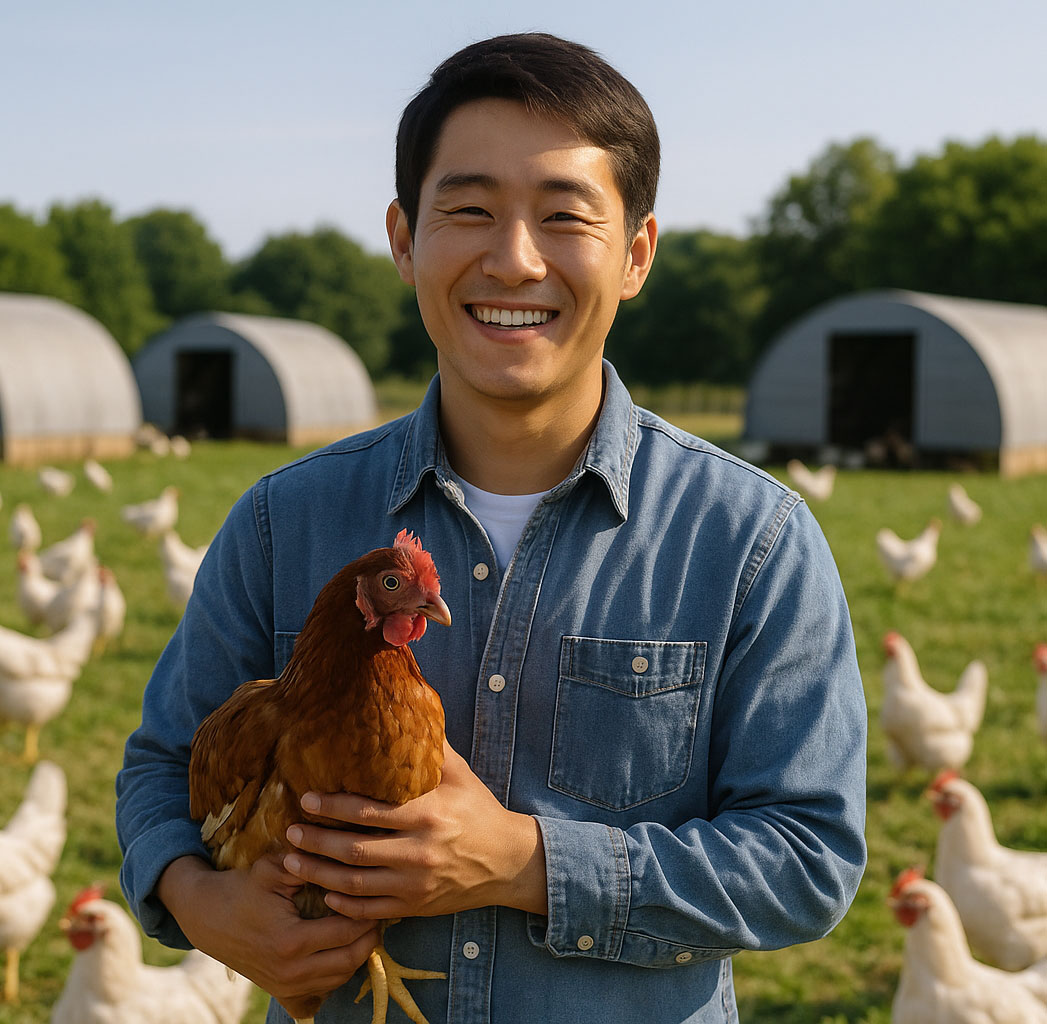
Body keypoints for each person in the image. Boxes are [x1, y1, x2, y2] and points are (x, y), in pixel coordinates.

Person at [116, 32, 867, 1024]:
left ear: (636, 254)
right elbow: (159, 767)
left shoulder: (750, 540)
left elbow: (809, 858)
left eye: (564, 217)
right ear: (402, 238)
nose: (514, 260)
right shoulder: (281, 522)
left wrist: (527, 863)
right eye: (468, 211)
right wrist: (199, 898)